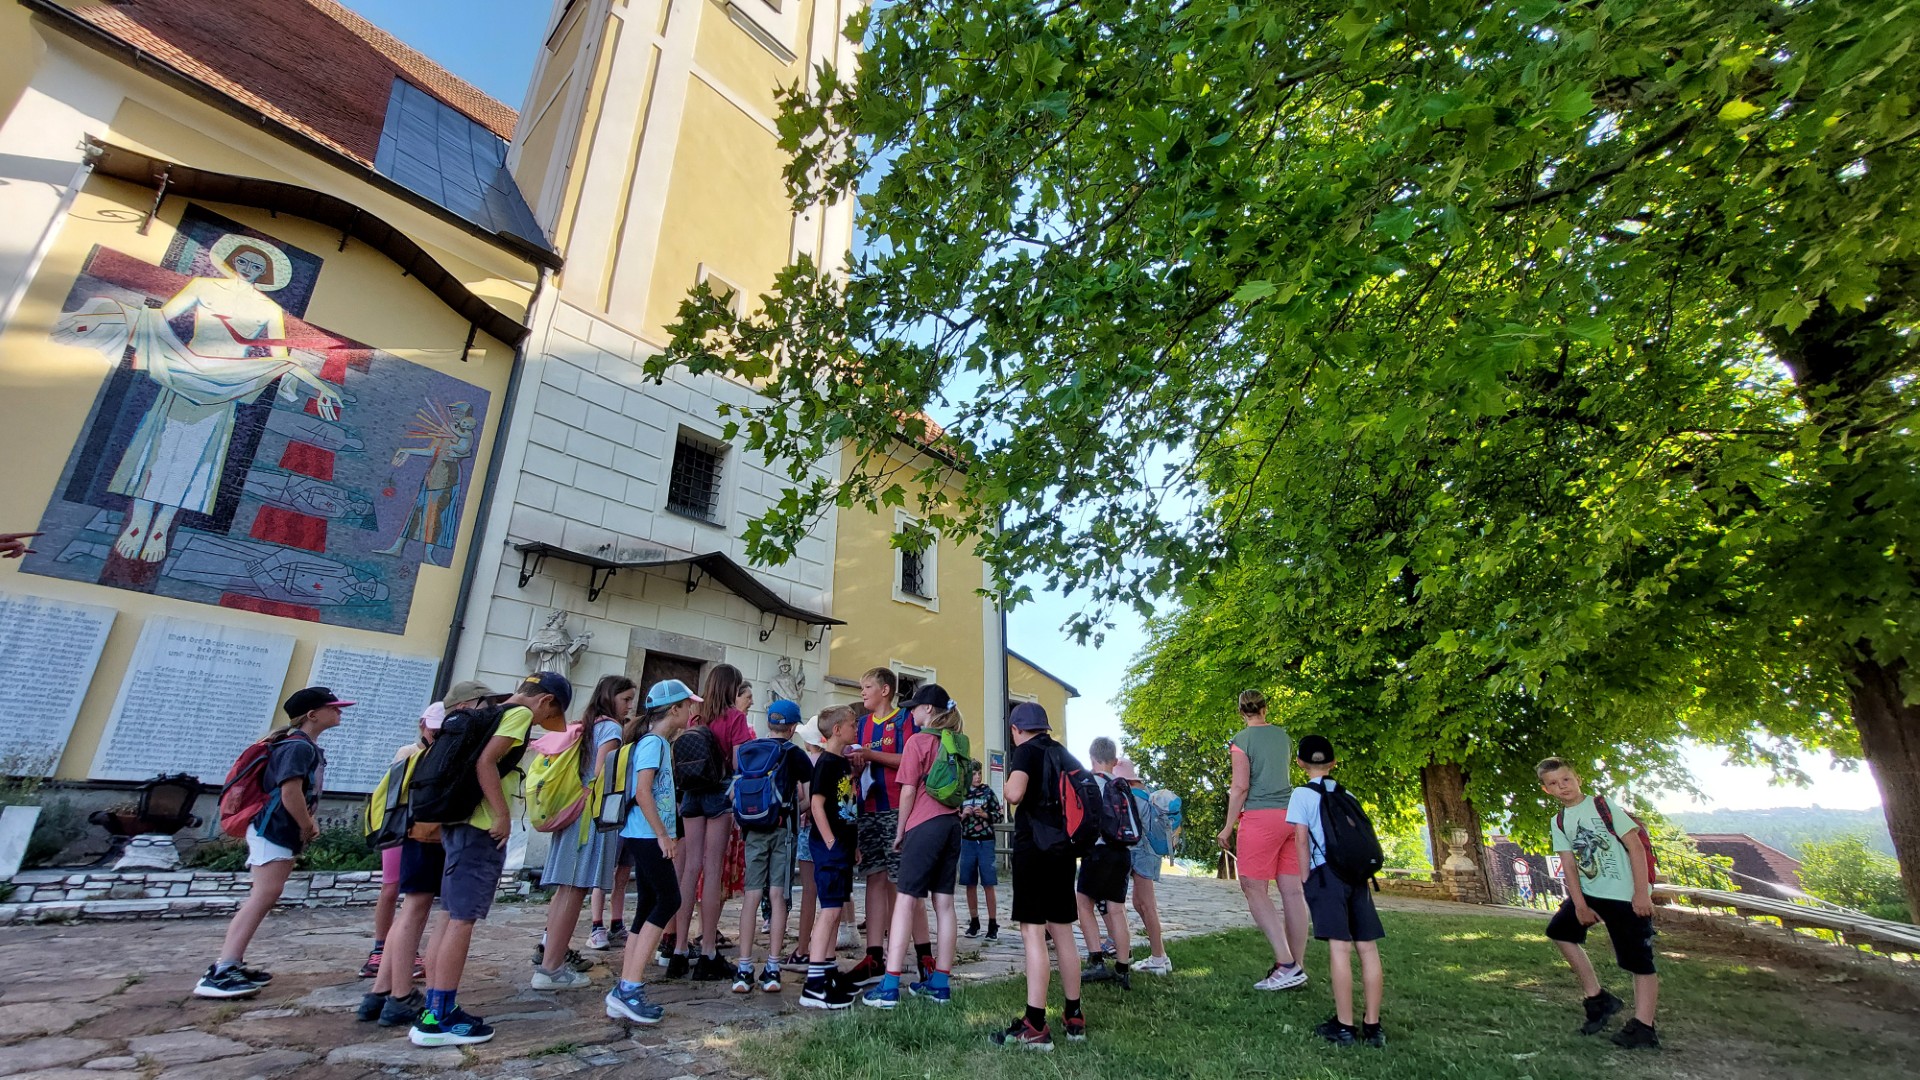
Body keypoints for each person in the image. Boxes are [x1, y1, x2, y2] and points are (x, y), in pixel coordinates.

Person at [410, 672, 570, 1047]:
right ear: (545, 701)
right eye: (549, 715)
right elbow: (486, 763)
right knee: (462, 920)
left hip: (458, 823)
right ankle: (440, 1018)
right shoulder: (519, 714)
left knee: (450, 916)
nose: (543, 722)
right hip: (481, 829)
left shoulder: (489, 712)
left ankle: (433, 1006)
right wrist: (501, 815)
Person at [194, 687, 352, 998]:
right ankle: (223, 969)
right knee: (263, 895)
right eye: (333, 707)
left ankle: (231, 964)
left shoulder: (300, 745)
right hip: (275, 827)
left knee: (266, 894)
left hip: (278, 828)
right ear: (312, 715)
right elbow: (290, 792)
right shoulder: (298, 747)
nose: (339, 711)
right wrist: (307, 825)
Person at [358, 696, 477, 1028]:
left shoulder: (416, 754)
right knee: (415, 911)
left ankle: (380, 992)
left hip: (413, 834)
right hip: (428, 835)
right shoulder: (428, 754)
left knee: (409, 911)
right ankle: (400, 996)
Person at [1537, 757, 1661, 1050]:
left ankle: (1644, 1026)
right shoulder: (1559, 821)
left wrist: (1641, 893)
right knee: (1560, 931)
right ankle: (1598, 998)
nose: (1562, 786)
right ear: (1546, 790)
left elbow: (1634, 846)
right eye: (1553, 783)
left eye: (1566, 779)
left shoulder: (1602, 806)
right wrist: (1580, 904)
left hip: (1624, 895)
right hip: (1592, 893)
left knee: (1638, 961)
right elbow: (1569, 864)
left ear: (1577, 779)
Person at [862, 684, 969, 1008]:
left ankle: (889, 985)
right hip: (952, 825)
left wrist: (900, 831)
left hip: (923, 825)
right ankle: (940, 983)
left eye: (915, 707)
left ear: (929, 710)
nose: (911, 713)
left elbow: (908, 791)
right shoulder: (957, 742)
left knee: (905, 901)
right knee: (945, 904)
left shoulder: (918, 742)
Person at [604, 679, 701, 1025]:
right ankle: (629, 987)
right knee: (669, 899)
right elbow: (643, 791)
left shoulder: (655, 742)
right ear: (674, 709)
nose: (691, 712)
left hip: (642, 833)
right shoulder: (654, 743)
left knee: (647, 905)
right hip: (647, 835)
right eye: (688, 706)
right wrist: (663, 835)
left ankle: (626, 985)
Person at [990, 702, 1084, 1050]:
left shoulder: (1026, 752)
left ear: (1016, 730)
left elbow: (1015, 793)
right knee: (1063, 930)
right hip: (1063, 849)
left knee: (1032, 930)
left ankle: (1035, 1024)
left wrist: (1006, 788)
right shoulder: (1063, 754)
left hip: (1035, 849)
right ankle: (1074, 1015)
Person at [532, 676, 633, 991]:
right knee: (575, 890)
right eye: (626, 699)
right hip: (590, 817)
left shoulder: (587, 723)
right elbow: (603, 775)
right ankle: (551, 969)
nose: (630, 706)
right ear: (611, 698)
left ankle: (550, 955)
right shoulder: (611, 729)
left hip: (572, 811)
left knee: (565, 889)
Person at [1287, 736, 1386, 1048]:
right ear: (1333, 763)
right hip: (1357, 875)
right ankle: (1373, 1026)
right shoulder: (1347, 794)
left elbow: (1301, 839)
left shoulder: (1301, 794)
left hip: (1327, 875)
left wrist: (1306, 878)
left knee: (1340, 948)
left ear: (1300, 763)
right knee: (1367, 948)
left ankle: (1344, 1025)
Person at [1216, 689, 1308, 991]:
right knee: (1292, 892)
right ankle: (1297, 966)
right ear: (1265, 708)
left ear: (1241, 712)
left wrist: (1228, 826)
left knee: (1253, 887)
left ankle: (1286, 964)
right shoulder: (1284, 737)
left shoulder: (1241, 741)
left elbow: (1240, 787)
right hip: (1291, 817)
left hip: (1261, 818)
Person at [669, 663, 752, 980]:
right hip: (719, 792)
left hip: (691, 794)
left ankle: (679, 950)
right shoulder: (735, 718)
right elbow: (738, 762)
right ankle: (708, 952)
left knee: (690, 869)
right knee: (713, 870)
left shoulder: (696, 717)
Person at [733, 698, 812, 993]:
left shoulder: (749, 749)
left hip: (753, 831)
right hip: (783, 831)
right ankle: (773, 967)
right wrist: (796, 809)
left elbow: (735, 793)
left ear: (769, 723)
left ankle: (743, 968)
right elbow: (809, 795)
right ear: (792, 728)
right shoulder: (794, 754)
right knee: (778, 896)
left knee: (751, 896)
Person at [847, 667, 920, 986]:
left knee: (903, 881)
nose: (862, 692)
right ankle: (873, 954)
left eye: (867, 686)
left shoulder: (904, 720)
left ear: (885, 690)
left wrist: (871, 755)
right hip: (867, 808)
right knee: (874, 877)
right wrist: (856, 764)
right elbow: (855, 765)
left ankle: (914, 953)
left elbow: (910, 760)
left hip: (896, 809)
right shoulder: (861, 724)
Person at [800, 705, 862, 1009]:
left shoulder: (842, 763)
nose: (856, 728)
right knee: (830, 910)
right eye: (852, 724)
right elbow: (816, 805)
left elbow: (847, 805)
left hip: (843, 846)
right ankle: (814, 984)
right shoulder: (825, 763)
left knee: (836, 908)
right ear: (837, 730)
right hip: (830, 847)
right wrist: (830, 841)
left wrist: (853, 845)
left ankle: (827, 969)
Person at [1076, 737, 1136, 989]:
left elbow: (1084, 820)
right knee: (1116, 909)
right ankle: (1123, 968)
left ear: (1092, 758)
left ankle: (1096, 960)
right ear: (1114, 760)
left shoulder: (1091, 784)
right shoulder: (1122, 786)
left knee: (1083, 903)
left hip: (1098, 850)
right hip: (1122, 853)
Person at [1114, 761, 1172, 974]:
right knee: (1140, 903)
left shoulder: (1131, 796)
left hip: (1141, 853)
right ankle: (1160, 956)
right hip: (1148, 852)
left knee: (1147, 905)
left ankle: (1159, 958)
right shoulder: (1144, 792)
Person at [785, 711, 828, 967]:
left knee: (809, 891)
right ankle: (825, 949)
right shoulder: (832, 760)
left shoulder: (805, 761)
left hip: (807, 829)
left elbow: (805, 799)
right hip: (830, 830)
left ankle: (803, 947)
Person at [958, 760, 1003, 941]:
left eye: (979, 774)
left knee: (988, 883)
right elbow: (954, 818)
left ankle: (993, 923)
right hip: (967, 842)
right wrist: (964, 815)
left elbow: (999, 816)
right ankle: (974, 921)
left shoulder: (988, 792)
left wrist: (985, 815)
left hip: (985, 842)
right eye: (974, 774)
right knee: (969, 883)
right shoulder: (962, 793)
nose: (977, 777)